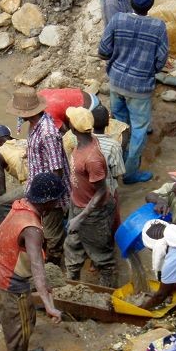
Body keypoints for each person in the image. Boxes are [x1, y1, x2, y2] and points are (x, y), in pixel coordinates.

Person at [0, 172, 64, 351]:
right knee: (22, 321)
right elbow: (38, 270)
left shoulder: (20, 206)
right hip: (6, 283)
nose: (58, 204)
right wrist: (49, 305)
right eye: (56, 200)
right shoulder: (32, 229)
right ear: (48, 201)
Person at [98, 0, 169, 184]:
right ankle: (129, 173)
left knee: (120, 124)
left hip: (117, 82)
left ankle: (114, 164)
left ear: (131, 2)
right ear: (151, 5)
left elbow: (103, 50)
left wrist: (118, 59)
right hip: (140, 88)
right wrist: (147, 70)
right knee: (139, 128)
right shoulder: (158, 27)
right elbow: (161, 61)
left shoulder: (118, 19)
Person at [6, 87, 71, 267]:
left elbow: (56, 171)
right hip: (36, 188)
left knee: (52, 234)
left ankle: (54, 266)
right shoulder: (36, 125)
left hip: (49, 195)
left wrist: (46, 201)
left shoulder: (48, 133)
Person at [63, 107, 116, 286]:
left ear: (74, 127)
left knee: (103, 258)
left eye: (69, 119)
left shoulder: (92, 158)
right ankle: (72, 288)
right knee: (72, 248)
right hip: (78, 205)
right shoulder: (83, 141)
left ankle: (106, 297)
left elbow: (102, 190)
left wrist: (81, 217)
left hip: (93, 213)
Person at [92, 105, 126, 233]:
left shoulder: (82, 140)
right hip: (107, 191)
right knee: (113, 221)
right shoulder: (114, 145)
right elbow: (118, 173)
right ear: (108, 122)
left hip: (88, 190)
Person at [0, 125, 28, 224]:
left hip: (31, 185)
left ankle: (13, 230)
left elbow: (1, 189)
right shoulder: (24, 141)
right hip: (43, 177)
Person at [37, 88, 101, 133]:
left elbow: (66, 131)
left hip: (90, 110)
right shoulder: (41, 93)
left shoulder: (48, 114)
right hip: (90, 96)